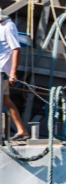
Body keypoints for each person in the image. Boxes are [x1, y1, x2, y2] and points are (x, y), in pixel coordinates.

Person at [0, 13, 29, 142]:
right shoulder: (1, 26)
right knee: (6, 101)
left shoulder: (8, 27)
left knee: (5, 101)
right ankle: (22, 130)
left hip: (2, 70)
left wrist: (13, 72)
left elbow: (16, 49)